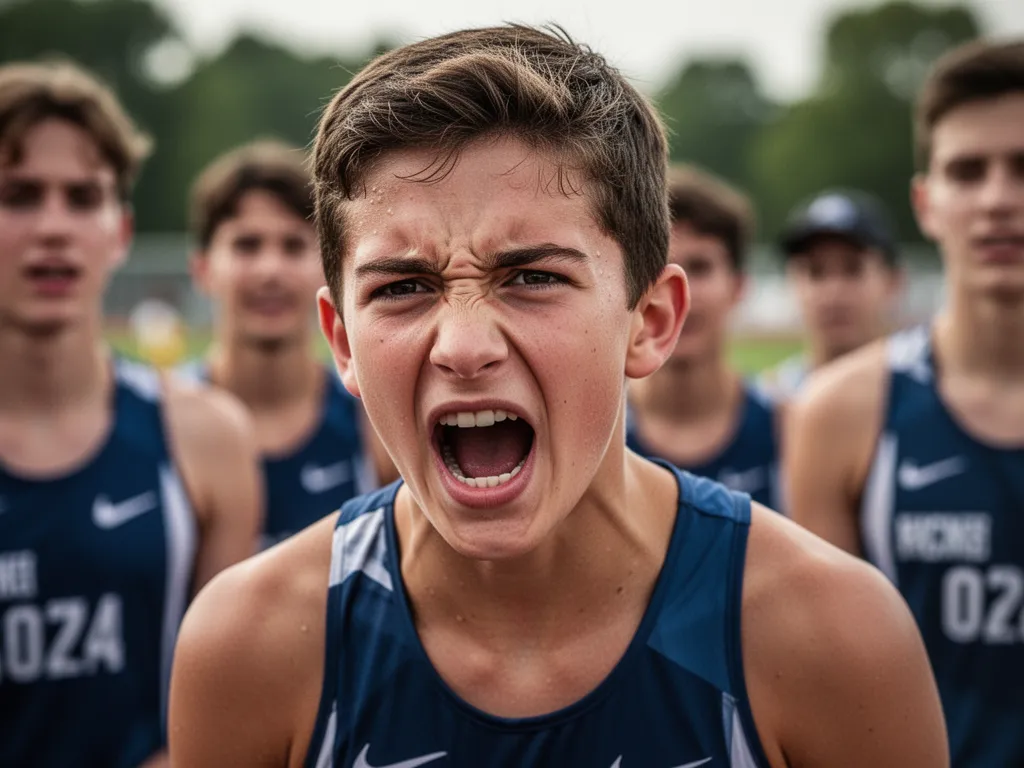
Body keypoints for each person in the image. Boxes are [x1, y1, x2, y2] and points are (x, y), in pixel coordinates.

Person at [169, 25, 947, 768]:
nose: (465, 346)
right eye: (404, 287)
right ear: (341, 340)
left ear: (650, 320)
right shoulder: (252, 647)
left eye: (532, 277)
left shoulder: (831, 636)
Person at [0, 61, 263, 768]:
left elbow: (236, 711)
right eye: (19, 195)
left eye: (82, 198)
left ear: (118, 231)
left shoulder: (206, 436)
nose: (54, 226)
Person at [785, 39, 1024, 767]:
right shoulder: (840, 412)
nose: (996, 198)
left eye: (1022, 167)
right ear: (927, 203)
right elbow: (822, 688)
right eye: (967, 170)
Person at [181, 141, 393, 549]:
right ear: (203, 269)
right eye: (247, 245)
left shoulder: (372, 424)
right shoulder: (164, 423)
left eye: (294, 246)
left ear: (331, 267)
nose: (270, 270)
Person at [627, 165, 783, 510]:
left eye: (699, 267)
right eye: (658, 269)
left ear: (739, 285)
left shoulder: (790, 428)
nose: (678, 294)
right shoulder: (592, 434)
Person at [759, 189, 903, 399]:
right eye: (815, 272)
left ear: (892, 281)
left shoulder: (927, 398)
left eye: (853, 269)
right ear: (792, 281)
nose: (834, 291)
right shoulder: (771, 402)